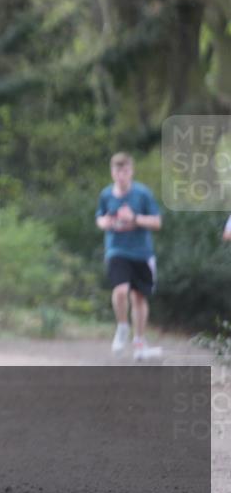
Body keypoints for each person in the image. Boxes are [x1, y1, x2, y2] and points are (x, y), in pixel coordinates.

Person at [95, 152, 163, 360]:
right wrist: (104, 223)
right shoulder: (106, 194)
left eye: (125, 171)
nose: (121, 175)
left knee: (139, 298)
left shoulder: (142, 194)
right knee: (121, 290)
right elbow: (100, 217)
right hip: (117, 250)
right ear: (112, 172)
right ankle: (123, 327)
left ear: (131, 171)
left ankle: (140, 343)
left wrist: (134, 217)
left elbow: (157, 222)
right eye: (117, 170)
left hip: (142, 252)